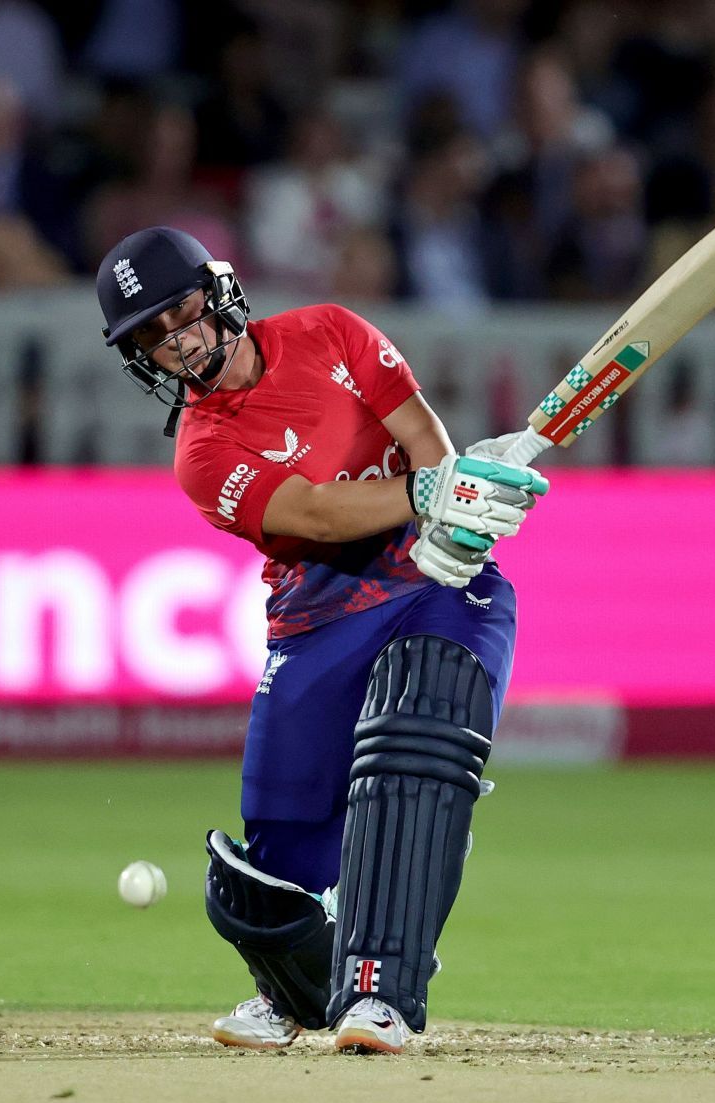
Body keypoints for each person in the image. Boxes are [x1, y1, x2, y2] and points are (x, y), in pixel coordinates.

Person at [94, 227, 547, 1054]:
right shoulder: (202, 454)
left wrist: (455, 523)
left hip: (436, 584)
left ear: (218, 291)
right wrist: (430, 493)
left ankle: (383, 989)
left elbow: (421, 433)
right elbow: (311, 513)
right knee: (277, 835)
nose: (177, 341)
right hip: (319, 608)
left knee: (417, 754)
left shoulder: (331, 331)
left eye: (183, 313)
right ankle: (295, 990)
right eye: (152, 337)